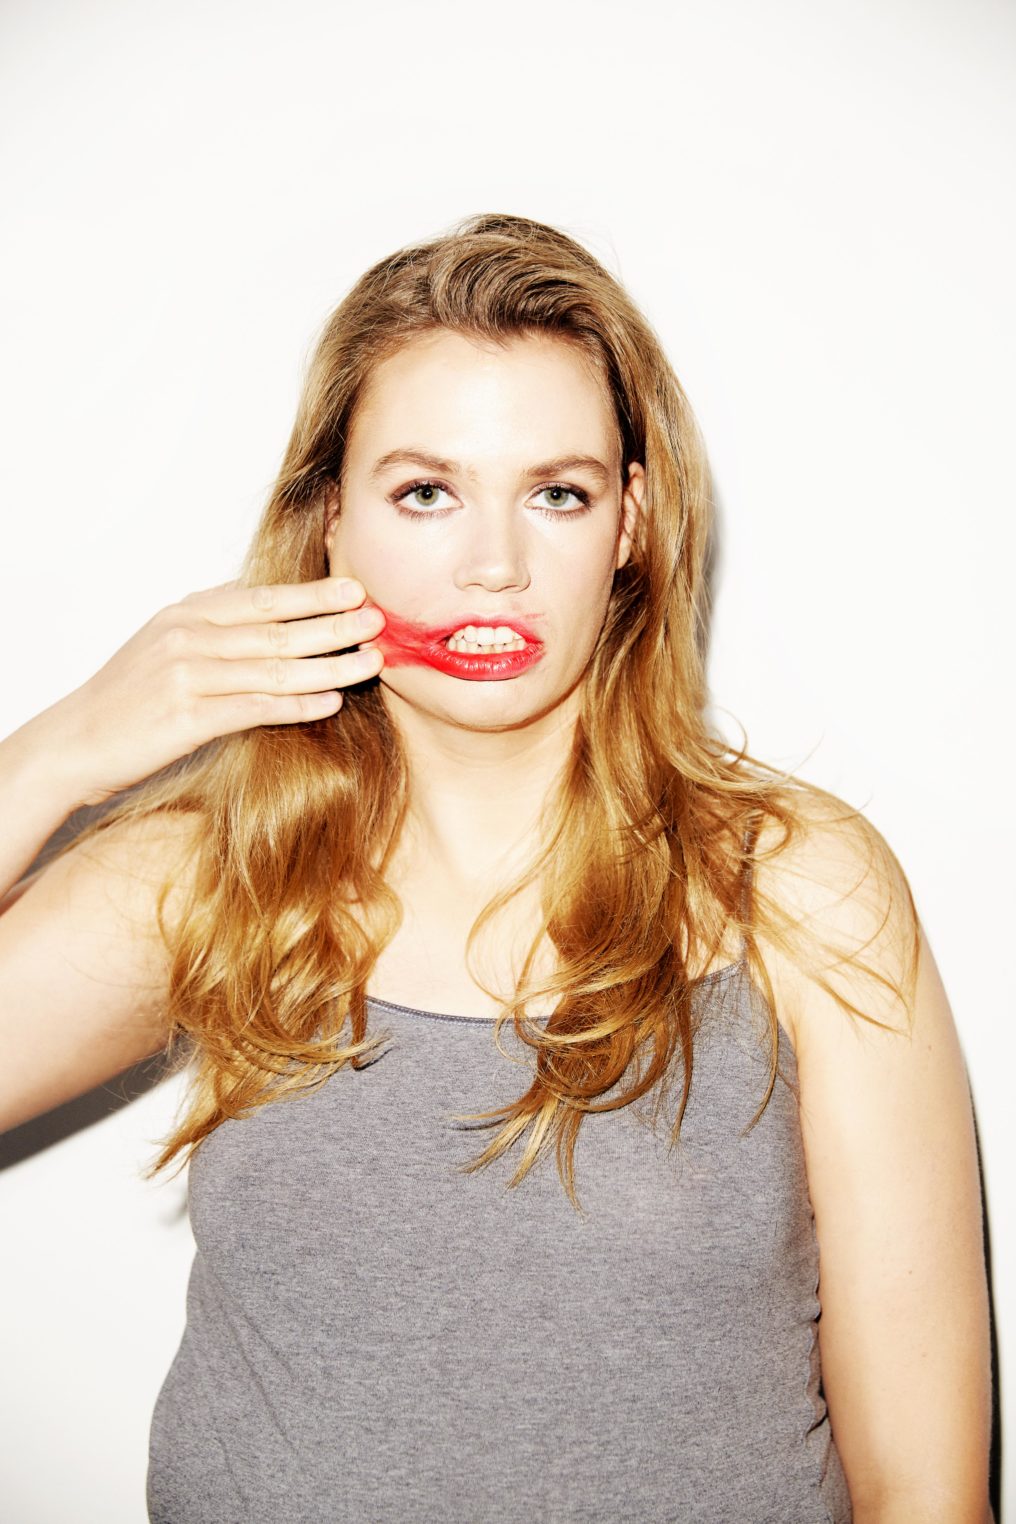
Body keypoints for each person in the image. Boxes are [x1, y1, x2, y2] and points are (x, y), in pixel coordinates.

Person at [0, 213, 993, 1522]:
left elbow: (926, 1494)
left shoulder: (796, 887)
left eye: (556, 493)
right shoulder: (217, 873)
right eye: (427, 492)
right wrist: (59, 753)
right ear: (329, 521)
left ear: (633, 521)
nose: (494, 567)